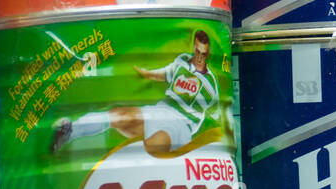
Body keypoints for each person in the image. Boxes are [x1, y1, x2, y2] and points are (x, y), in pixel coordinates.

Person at [49, 29, 219, 156]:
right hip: (160, 111)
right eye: (197, 51)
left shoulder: (210, 84)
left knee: (152, 148)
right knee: (118, 115)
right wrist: (146, 73)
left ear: (208, 52)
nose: (199, 57)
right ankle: (70, 131)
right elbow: (165, 73)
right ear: (193, 47)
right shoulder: (181, 62)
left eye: (203, 54)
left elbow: (216, 113)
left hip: (181, 126)